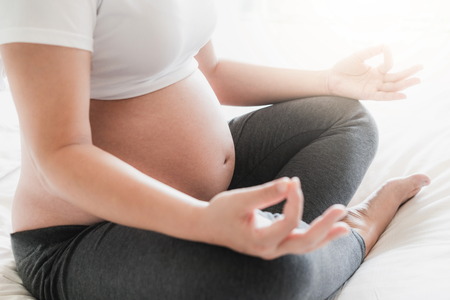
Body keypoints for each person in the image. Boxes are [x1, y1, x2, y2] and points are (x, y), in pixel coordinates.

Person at [0, 1, 430, 300]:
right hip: (88, 234)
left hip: (210, 198)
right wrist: (201, 221)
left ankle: (276, 239)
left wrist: (328, 82)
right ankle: (354, 234)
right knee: (266, 276)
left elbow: (212, 73)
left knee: (342, 118)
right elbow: (59, 153)